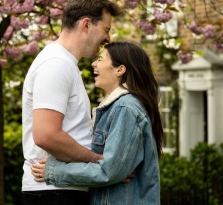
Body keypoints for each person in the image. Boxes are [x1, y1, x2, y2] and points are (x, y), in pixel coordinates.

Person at [31, 41, 164, 204]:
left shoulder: (125, 108)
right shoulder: (119, 107)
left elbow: (108, 171)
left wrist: (55, 171)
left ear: (120, 69)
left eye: (100, 59)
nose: (94, 63)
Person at [22, 0, 122, 204]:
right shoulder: (56, 64)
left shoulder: (63, 63)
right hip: (54, 192)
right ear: (86, 24)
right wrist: (98, 161)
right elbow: (46, 135)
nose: (108, 39)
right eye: (106, 29)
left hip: (61, 189)